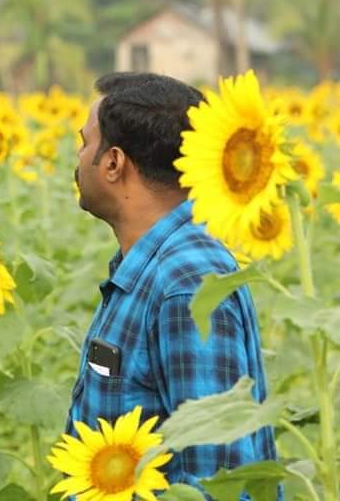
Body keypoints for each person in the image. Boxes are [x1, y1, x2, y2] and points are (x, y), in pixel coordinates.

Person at [68, 72, 277, 487]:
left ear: (113, 163)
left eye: (84, 142)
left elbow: (217, 477)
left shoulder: (186, 284)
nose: (76, 158)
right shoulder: (150, 266)